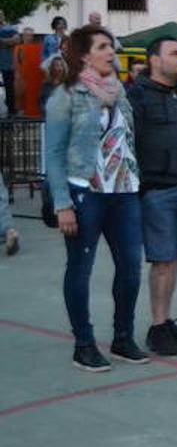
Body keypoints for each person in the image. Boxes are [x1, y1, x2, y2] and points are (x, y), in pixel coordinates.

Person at [45, 25, 146, 371]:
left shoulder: (119, 91)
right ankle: (83, 344)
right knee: (81, 269)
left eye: (112, 46)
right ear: (85, 54)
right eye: (103, 47)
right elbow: (54, 153)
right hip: (85, 194)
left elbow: (127, 140)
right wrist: (62, 203)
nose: (111, 52)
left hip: (124, 191)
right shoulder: (66, 96)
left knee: (131, 266)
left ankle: (123, 336)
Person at [128, 36, 177, 357]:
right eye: (175, 53)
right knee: (162, 259)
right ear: (155, 60)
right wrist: (142, 186)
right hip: (158, 190)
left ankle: (165, 319)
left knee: (174, 258)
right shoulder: (138, 97)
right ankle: (157, 327)